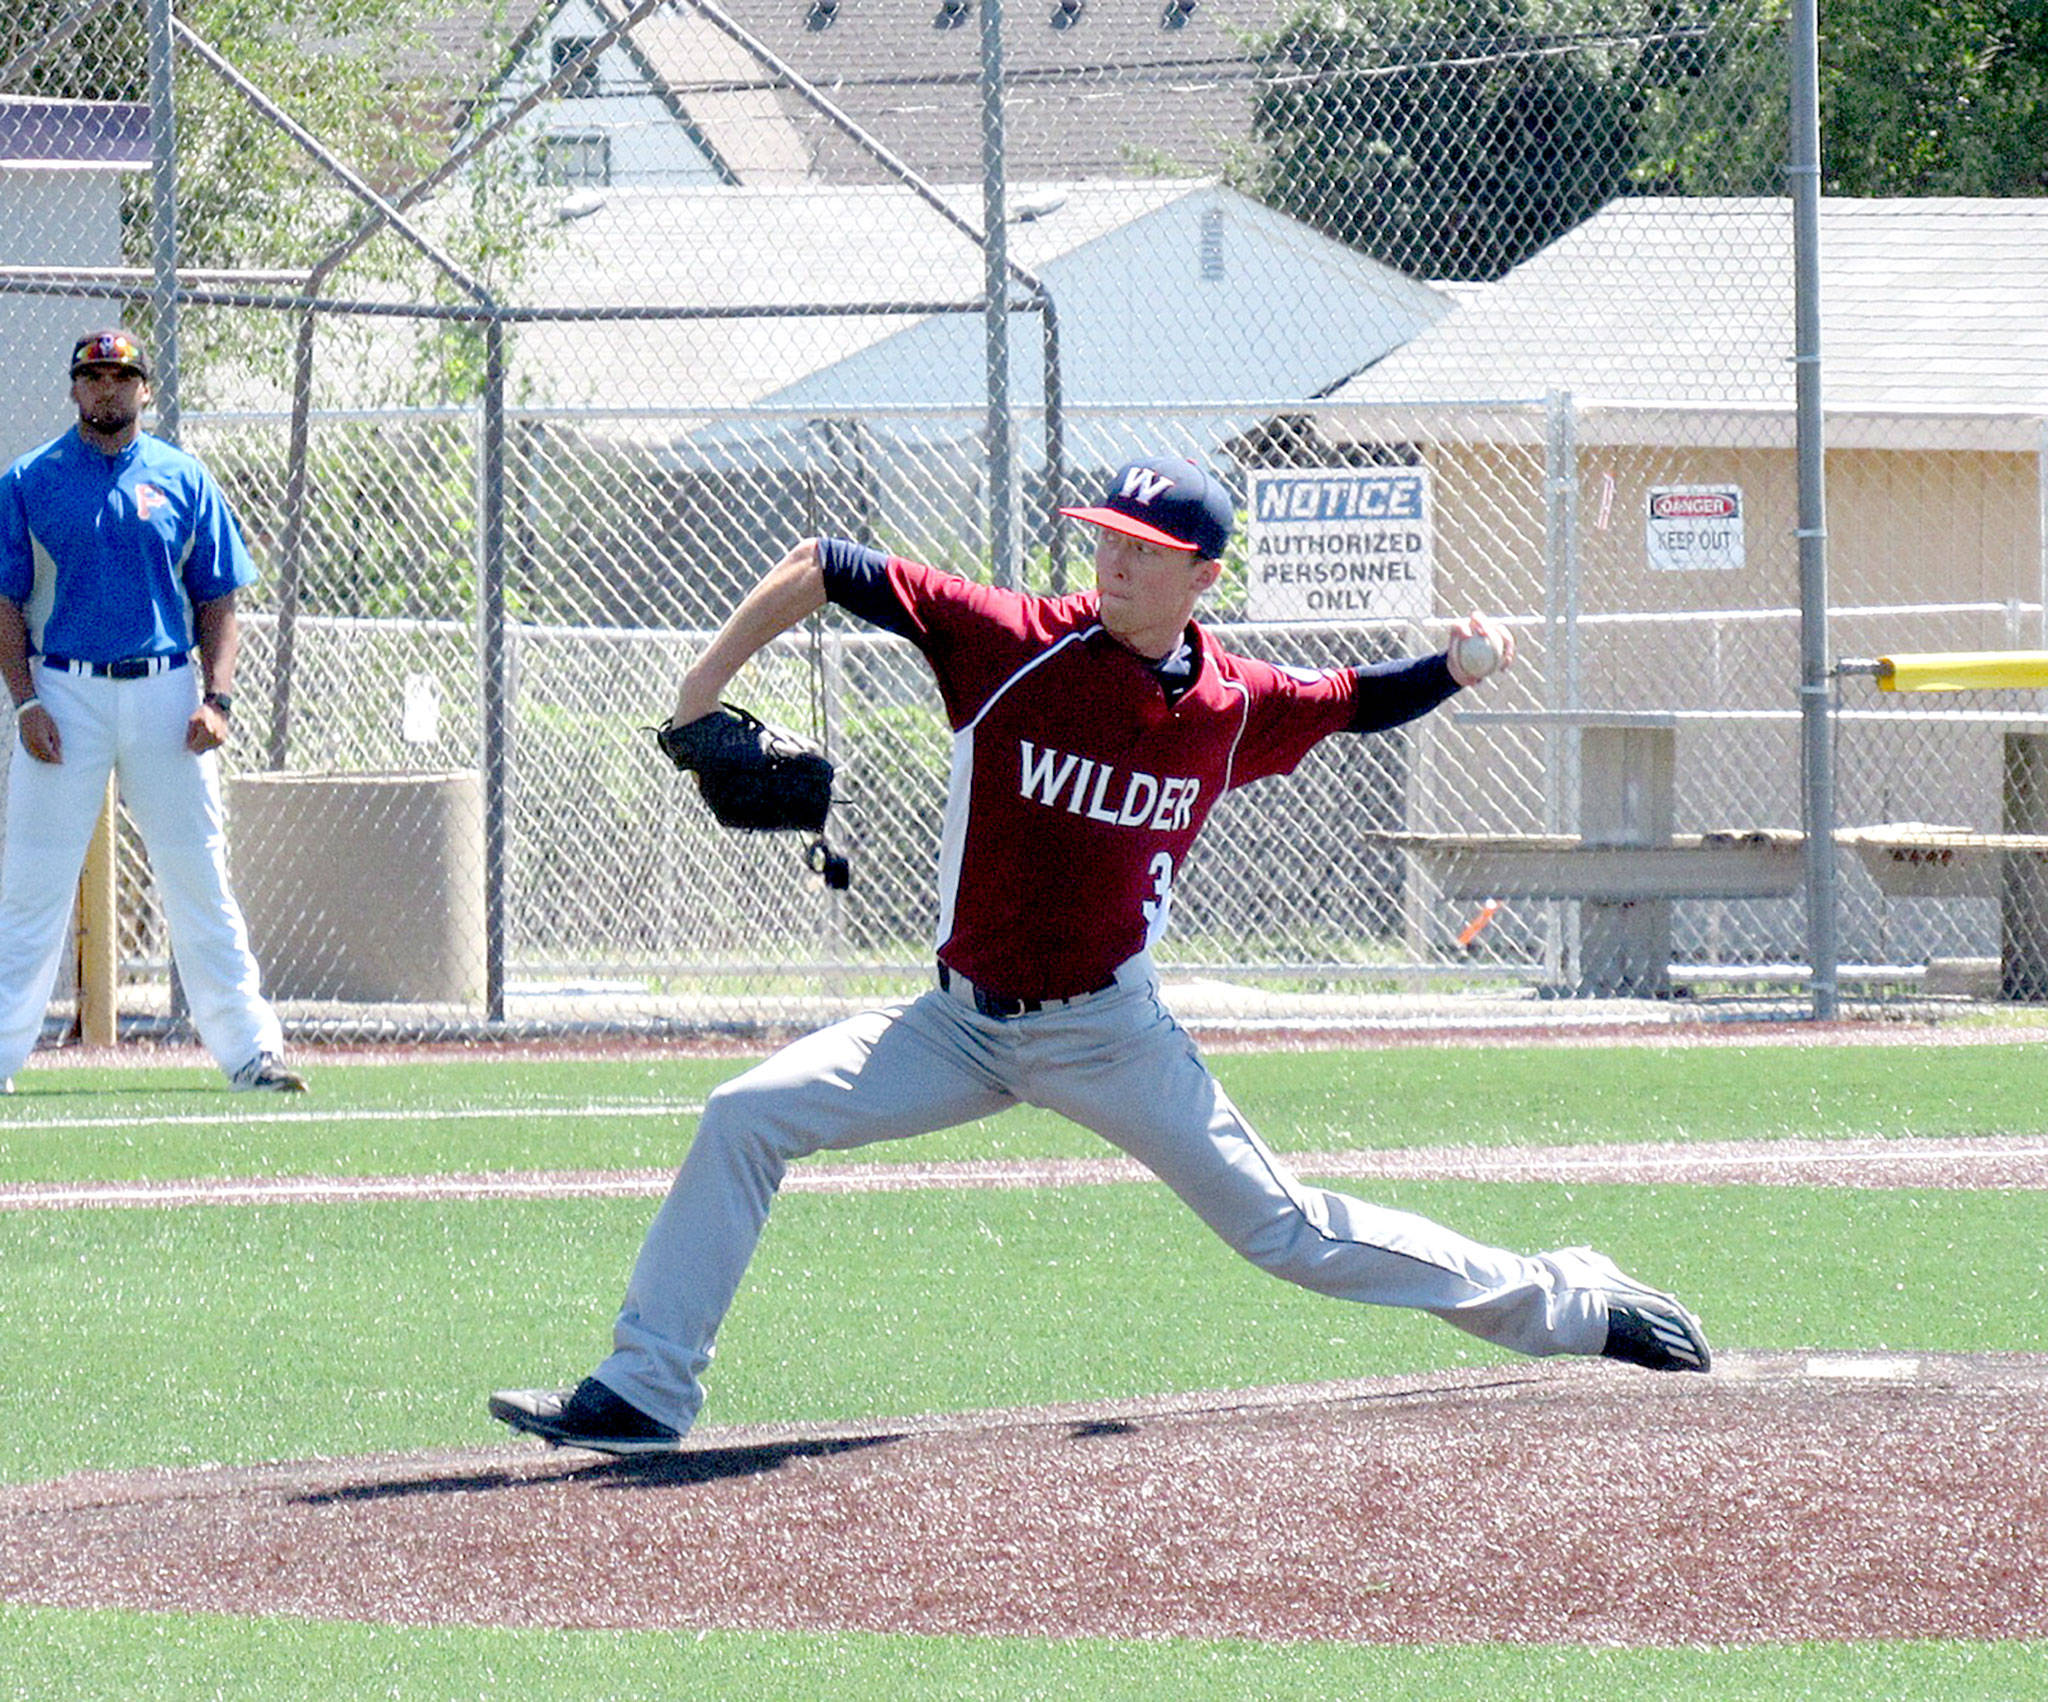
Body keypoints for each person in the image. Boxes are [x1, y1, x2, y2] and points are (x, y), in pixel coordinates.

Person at [491, 455, 1708, 1455]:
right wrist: (698, 698)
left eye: (1141, 548)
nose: (1111, 562)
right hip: (956, 1025)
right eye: (1103, 539)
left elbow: (1353, 699)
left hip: (1107, 1032)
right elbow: (822, 565)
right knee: (745, 1114)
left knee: (1288, 1233)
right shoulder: (1008, 640)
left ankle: (1572, 1301)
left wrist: (1449, 669)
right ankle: (647, 1390)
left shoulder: (1232, 707)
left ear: (1200, 576)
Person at [0, 329, 304, 1094]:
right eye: (93, 377)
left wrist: (218, 698)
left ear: (145, 390)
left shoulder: (183, 476)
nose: (108, 390)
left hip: (166, 690)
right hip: (63, 689)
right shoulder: (30, 479)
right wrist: (26, 698)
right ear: (73, 389)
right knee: (33, 883)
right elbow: (4, 599)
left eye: (122, 376)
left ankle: (250, 1051)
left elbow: (219, 596)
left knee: (197, 873)